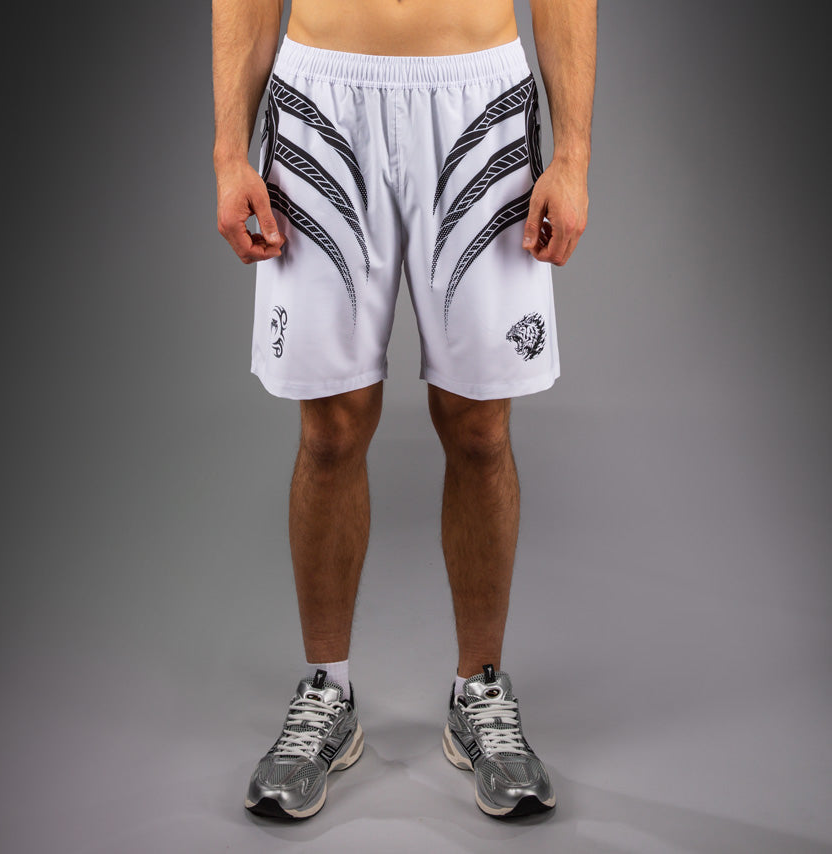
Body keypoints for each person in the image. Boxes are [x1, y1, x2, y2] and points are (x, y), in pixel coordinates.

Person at [212, 0, 596, 820]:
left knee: (479, 427)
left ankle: (478, 691)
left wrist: (573, 155)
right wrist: (226, 152)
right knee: (331, 428)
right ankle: (328, 690)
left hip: (479, 97)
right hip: (321, 96)